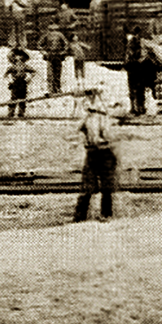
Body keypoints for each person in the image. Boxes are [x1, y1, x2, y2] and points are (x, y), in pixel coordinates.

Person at [73, 87, 119, 223]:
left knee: (106, 187)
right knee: (87, 186)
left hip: (104, 152)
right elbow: (76, 128)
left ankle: (105, 214)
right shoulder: (86, 116)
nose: (88, 100)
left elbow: (107, 134)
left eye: (91, 96)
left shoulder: (102, 116)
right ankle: (80, 216)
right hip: (93, 152)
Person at [38, 21, 71, 97]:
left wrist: (63, 52)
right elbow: (39, 45)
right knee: (50, 72)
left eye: (55, 30)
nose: (54, 32)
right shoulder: (46, 35)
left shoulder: (60, 35)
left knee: (57, 71)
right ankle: (51, 89)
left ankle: (57, 88)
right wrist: (44, 52)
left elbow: (66, 44)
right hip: (50, 54)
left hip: (58, 54)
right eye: (52, 30)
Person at [5, 49, 31, 120]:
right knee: (14, 97)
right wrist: (10, 81)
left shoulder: (25, 66)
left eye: (21, 57)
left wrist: (29, 78)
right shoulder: (12, 67)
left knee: (23, 97)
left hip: (23, 83)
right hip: (15, 83)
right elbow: (6, 74)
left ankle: (21, 113)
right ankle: (11, 112)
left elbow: (33, 72)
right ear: (14, 58)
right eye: (17, 57)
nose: (19, 58)